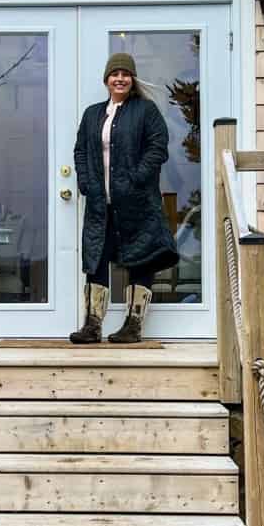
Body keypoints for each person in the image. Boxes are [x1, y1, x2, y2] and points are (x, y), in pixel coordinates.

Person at [70, 53, 179, 344]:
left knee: (140, 259)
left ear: (132, 80)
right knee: (96, 258)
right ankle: (92, 327)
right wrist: (85, 182)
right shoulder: (92, 114)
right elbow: (80, 150)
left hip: (137, 202)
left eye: (125, 74)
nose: (120, 78)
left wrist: (137, 178)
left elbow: (158, 147)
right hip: (99, 203)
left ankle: (133, 327)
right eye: (114, 73)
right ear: (106, 79)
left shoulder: (145, 110)